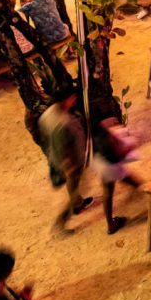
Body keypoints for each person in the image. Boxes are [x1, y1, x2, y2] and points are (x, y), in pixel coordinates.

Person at [38, 89, 93, 232]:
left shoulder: (48, 114)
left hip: (60, 158)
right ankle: (62, 222)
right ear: (65, 100)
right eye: (72, 97)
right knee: (75, 188)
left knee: (74, 187)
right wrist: (70, 166)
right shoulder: (62, 123)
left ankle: (78, 203)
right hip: (71, 162)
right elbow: (65, 148)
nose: (74, 100)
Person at [91, 118, 142, 235]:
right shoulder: (102, 138)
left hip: (100, 161)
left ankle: (137, 187)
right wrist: (129, 147)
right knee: (108, 192)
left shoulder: (90, 128)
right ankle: (111, 225)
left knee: (126, 180)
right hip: (109, 166)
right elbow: (114, 157)